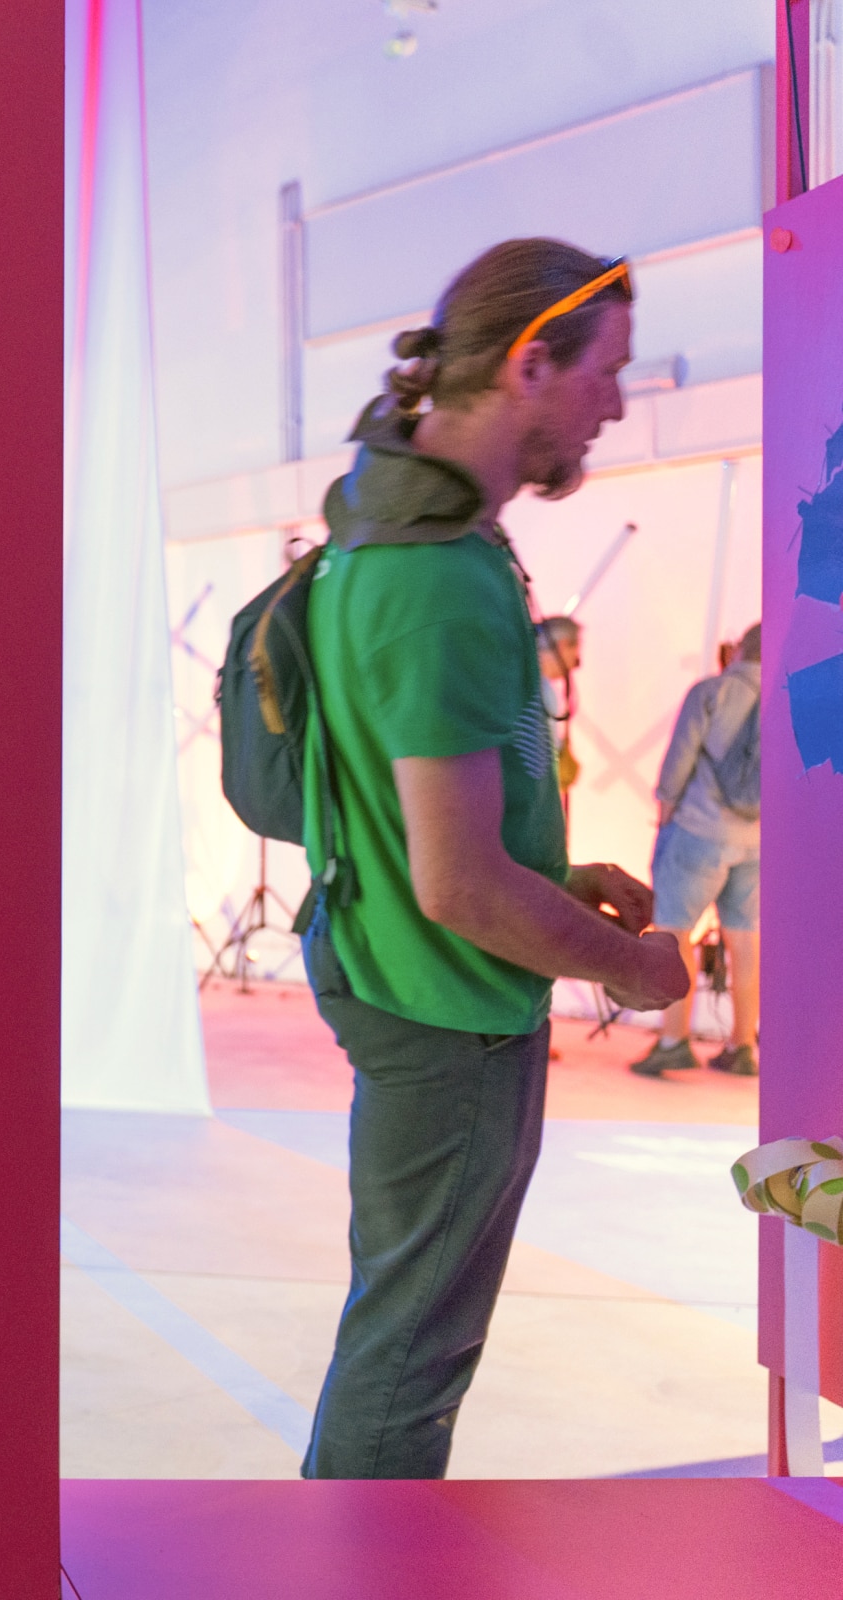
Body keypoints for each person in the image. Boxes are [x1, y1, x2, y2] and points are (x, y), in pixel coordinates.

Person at [299, 240, 687, 1479]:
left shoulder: (394, 532)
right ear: (530, 363)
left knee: (404, 1334)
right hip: (447, 1010)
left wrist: (557, 883)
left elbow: (414, 818)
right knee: (409, 1357)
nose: (615, 404)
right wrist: (632, 970)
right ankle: (355, 1559)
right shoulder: (434, 577)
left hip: (408, 981)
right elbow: (458, 885)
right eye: (606, 371)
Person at [630, 623, 762, 1078]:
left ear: (738, 649)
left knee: (673, 932)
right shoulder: (790, 698)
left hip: (698, 830)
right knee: (745, 939)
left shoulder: (711, 692)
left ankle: (674, 1039)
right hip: (757, 840)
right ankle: (742, 1045)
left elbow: (679, 760)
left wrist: (666, 812)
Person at [536, 615, 581, 801]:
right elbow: (546, 758)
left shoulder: (521, 678)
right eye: (575, 656)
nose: (574, 664)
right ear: (562, 646)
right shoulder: (543, 689)